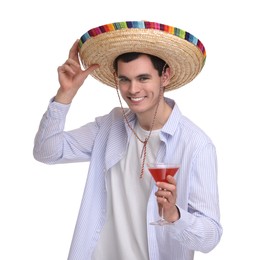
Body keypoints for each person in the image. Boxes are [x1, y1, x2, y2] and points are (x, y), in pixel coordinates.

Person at [33, 21, 223, 260]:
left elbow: (211, 237)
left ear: (165, 75)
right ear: (116, 79)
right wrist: (65, 95)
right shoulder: (111, 125)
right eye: (125, 79)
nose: (133, 89)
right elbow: (46, 152)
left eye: (143, 78)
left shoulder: (195, 145)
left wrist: (174, 215)